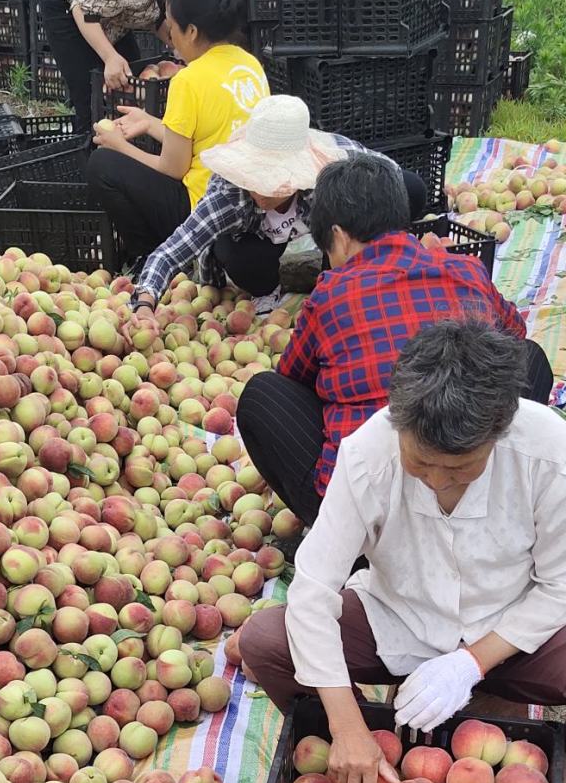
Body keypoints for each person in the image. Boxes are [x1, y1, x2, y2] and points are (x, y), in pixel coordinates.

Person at [238, 321, 566, 783]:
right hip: (398, 623)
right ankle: (364, 757)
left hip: (511, 630)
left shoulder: (547, 452)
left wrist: (471, 663)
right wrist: (348, 723)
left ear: (498, 434)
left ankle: (498, 703)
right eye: (421, 462)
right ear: (400, 422)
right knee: (266, 640)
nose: (438, 481)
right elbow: (313, 587)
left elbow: (559, 586)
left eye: (460, 469)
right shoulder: (368, 454)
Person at [236, 154, 554, 529]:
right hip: (469, 483)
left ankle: (350, 546)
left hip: (373, 518)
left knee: (264, 395)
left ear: (337, 236)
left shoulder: (331, 295)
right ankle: (489, 504)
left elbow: (292, 380)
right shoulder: (466, 271)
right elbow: (516, 336)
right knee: (528, 357)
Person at [129, 95, 429, 319]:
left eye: (272, 182)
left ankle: (353, 274)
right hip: (254, 243)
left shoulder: (332, 168)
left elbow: (390, 176)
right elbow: (173, 250)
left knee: (410, 189)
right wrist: (144, 302)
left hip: (328, 228)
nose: (261, 191)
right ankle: (269, 287)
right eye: (256, 178)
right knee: (236, 256)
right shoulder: (230, 194)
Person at [87, 0, 269, 266]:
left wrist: (118, 145)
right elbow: (207, 134)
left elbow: (172, 167)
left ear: (193, 31)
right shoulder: (248, 64)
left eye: (171, 27)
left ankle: (153, 256)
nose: (169, 36)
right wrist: (149, 123)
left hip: (205, 212)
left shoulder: (188, 80)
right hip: (248, 206)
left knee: (102, 165)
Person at [39, 0, 221, 135]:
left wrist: (187, 51)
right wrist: (109, 57)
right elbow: (83, 9)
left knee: (132, 82)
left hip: (111, 5)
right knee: (89, 91)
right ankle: (87, 153)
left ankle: (127, 145)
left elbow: (156, 16)